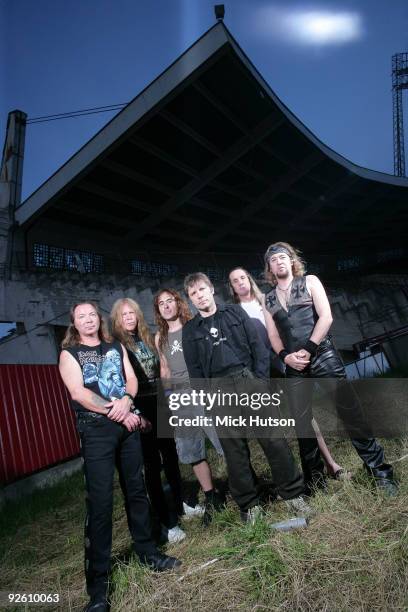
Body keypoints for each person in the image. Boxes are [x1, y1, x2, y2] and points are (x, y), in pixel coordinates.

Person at [59, 302, 181, 612]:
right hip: (97, 429)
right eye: (80, 316)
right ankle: (98, 588)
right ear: (74, 323)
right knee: (100, 504)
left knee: (136, 492)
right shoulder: (69, 354)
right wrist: (118, 411)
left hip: (126, 426)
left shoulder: (114, 346)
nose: (87, 320)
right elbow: (78, 393)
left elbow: (132, 381)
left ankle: (147, 551)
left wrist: (127, 400)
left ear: (98, 319)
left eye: (91, 315)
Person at [262, 242, 397, 496]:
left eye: (283, 257)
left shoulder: (310, 281)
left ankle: (379, 471)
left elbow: (326, 316)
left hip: (322, 355)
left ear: (291, 261)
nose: (279, 262)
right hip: (294, 365)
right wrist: (285, 357)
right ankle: (316, 483)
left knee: (350, 413)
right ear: (269, 267)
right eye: (274, 260)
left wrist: (310, 349)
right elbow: (272, 335)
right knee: (302, 425)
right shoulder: (268, 299)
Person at [182, 273, 307, 523]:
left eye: (202, 289)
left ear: (211, 290)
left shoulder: (235, 313)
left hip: (247, 379)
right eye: (194, 293)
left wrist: (259, 380)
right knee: (234, 449)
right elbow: (194, 370)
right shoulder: (190, 330)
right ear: (190, 299)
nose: (200, 295)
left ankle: (293, 494)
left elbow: (258, 348)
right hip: (218, 389)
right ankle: (249, 505)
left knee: (273, 438)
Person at [228, 266, 348, 481]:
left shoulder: (269, 298)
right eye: (234, 281)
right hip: (259, 372)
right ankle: (289, 477)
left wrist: (290, 355)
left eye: (243, 277)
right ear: (232, 287)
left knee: (305, 417)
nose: (240, 283)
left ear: (249, 279)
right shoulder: (232, 312)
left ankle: (330, 463)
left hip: (285, 363)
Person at [110, 297, 187, 544]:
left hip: (159, 403)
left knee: (171, 455)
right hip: (139, 406)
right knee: (152, 464)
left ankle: (182, 503)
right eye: (124, 315)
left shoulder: (148, 338)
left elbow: (163, 371)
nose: (129, 317)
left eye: (132, 313)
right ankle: (166, 522)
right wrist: (133, 412)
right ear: (117, 319)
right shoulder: (115, 344)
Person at [153, 288, 225, 525]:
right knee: (192, 451)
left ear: (178, 303)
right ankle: (212, 496)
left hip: (203, 392)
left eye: (169, 301)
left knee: (224, 441)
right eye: (161, 303)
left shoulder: (194, 325)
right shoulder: (159, 337)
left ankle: (246, 486)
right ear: (158, 310)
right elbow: (164, 371)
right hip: (180, 399)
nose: (166, 306)